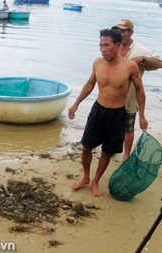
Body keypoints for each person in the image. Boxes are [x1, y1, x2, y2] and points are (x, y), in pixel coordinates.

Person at [68, 29, 148, 197]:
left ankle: (96, 180)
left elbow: (140, 90)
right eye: (100, 45)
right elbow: (90, 84)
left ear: (118, 46)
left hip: (118, 113)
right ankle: (86, 177)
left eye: (107, 45)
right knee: (87, 147)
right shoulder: (97, 63)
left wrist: (141, 115)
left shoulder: (130, 66)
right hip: (98, 110)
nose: (103, 49)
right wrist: (75, 104)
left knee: (107, 151)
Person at [111, 19, 162, 160]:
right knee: (111, 126)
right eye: (117, 30)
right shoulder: (113, 46)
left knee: (128, 128)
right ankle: (111, 149)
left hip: (130, 98)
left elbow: (159, 63)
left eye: (123, 31)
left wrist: (141, 59)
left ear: (131, 32)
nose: (120, 33)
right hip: (111, 97)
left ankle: (126, 156)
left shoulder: (139, 49)